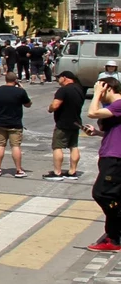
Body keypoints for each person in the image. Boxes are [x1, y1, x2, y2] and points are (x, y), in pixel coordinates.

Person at [85, 77, 121, 252]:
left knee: (102, 194)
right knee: (113, 196)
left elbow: (92, 113)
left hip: (115, 158)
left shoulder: (119, 104)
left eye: (99, 88)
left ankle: (114, 237)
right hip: (111, 155)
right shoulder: (115, 109)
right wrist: (98, 133)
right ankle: (113, 237)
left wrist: (97, 95)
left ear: (108, 89)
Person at [0, 72, 31, 178]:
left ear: (5, 79)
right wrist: (21, 88)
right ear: (15, 80)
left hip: (0, 122)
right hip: (15, 124)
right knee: (15, 146)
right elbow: (28, 104)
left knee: (0, 145)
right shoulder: (20, 92)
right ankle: (18, 170)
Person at [46, 70, 86, 180]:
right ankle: (73, 172)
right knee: (73, 146)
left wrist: (50, 109)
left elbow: (55, 105)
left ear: (65, 77)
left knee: (57, 146)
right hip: (76, 121)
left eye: (59, 78)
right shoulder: (79, 89)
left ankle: (57, 172)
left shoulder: (63, 90)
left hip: (63, 123)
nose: (58, 80)